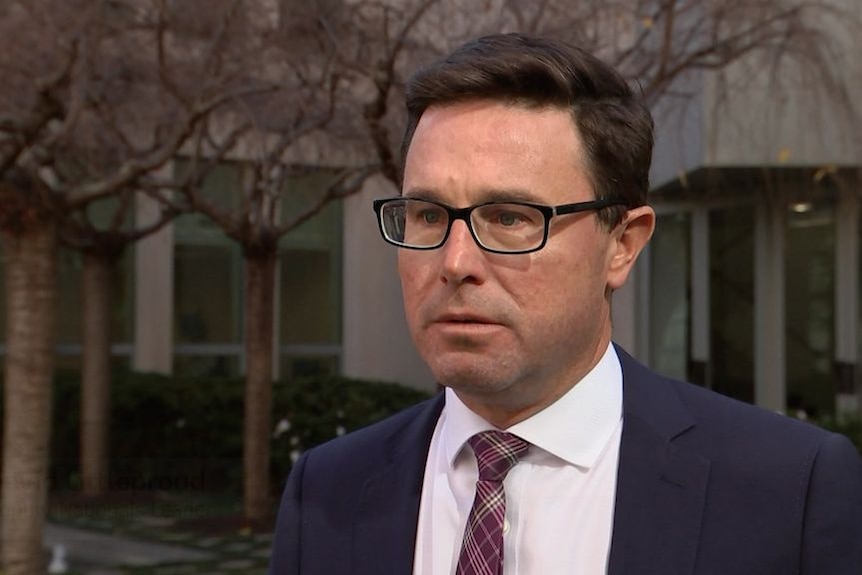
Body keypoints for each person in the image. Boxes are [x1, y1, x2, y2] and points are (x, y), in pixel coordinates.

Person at [269, 33, 862, 574]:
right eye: (427, 215)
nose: (454, 263)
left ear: (622, 246)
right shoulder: (326, 490)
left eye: (508, 218)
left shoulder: (788, 491)